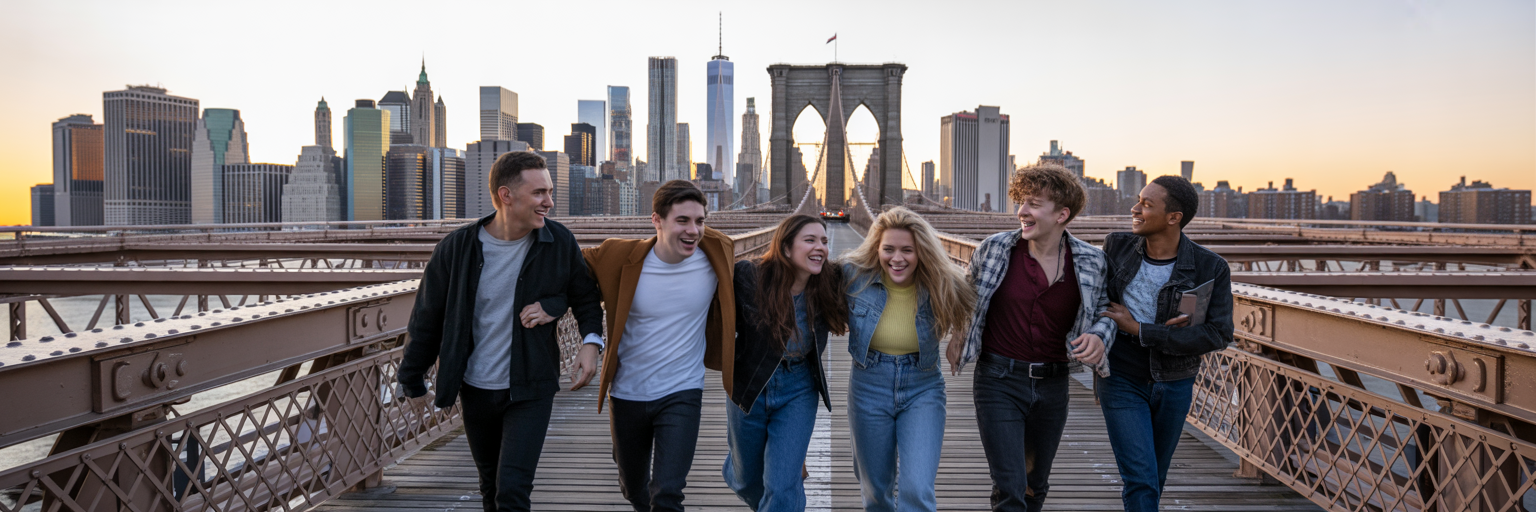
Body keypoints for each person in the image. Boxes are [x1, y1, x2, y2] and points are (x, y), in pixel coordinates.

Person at [398, 151, 605, 512]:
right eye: (539, 193)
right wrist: (412, 380)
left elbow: (586, 297)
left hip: (531, 386)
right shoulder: (456, 249)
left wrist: (590, 343)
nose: (549, 202)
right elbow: (427, 318)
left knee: (512, 490)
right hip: (476, 387)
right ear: (506, 195)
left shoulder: (559, 243)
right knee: (490, 487)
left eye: (550, 192)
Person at [946, 164, 1117, 512]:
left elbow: (1105, 310)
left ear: (1062, 214)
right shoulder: (994, 250)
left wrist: (1100, 337)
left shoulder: (1091, 260)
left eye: (1034, 204)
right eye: (1021, 202)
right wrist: (958, 331)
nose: (1021, 211)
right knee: (1010, 485)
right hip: (998, 380)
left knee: (1034, 487)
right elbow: (965, 295)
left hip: (1054, 386)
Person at [582, 180, 736, 512]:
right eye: (683, 220)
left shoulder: (718, 251)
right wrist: (578, 330)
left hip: (683, 391)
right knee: (635, 490)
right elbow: (567, 274)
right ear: (657, 220)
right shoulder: (617, 256)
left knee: (667, 493)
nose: (694, 230)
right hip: (627, 393)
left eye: (700, 221)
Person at [1097, 175, 1234, 511]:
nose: (1135, 208)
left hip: (1175, 382)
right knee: (1140, 478)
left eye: (1147, 204)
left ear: (1174, 217)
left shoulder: (1209, 267)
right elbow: (1094, 298)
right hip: (1121, 377)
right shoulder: (1116, 246)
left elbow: (1218, 334)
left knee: (1155, 475)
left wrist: (1144, 329)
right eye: (1138, 200)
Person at [842, 206, 977, 512]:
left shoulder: (941, 280)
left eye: (907, 250)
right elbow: (809, 291)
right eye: (888, 249)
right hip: (868, 386)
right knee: (876, 491)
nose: (897, 258)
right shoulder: (851, 274)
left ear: (922, 252)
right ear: (877, 249)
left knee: (917, 489)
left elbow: (977, 302)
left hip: (923, 385)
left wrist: (959, 336)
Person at [723, 214, 849, 511]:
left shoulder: (829, 282)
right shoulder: (748, 276)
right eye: (810, 240)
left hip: (799, 387)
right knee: (746, 481)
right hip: (750, 386)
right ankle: (740, 471)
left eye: (824, 241)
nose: (820, 247)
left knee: (782, 487)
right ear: (786, 247)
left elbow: (875, 267)